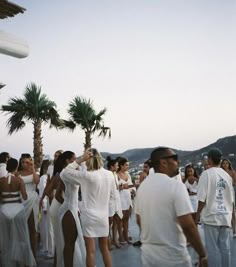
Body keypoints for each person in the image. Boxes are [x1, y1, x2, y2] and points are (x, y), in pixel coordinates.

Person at [134, 146, 208, 267]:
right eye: (174, 158)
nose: (178, 161)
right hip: (173, 258)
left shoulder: (142, 188)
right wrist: (202, 254)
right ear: (163, 162)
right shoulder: (176, 186)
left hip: (148, 257)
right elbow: (188, 226)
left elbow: (139, 220)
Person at [61, 148, 116, 267]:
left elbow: (64, 173)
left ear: (88, 159)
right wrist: (110, 213)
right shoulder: (109, 174)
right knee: (105, 248)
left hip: (89, 217)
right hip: (103, 216)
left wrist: (80, 160)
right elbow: (113, 196)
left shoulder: (86, 176)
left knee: (90, 251)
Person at [196, 148, 235, 267]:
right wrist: (233, 218)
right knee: (226, 249)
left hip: (211, 217)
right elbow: (231, 200)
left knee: (212, 250)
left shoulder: (206, 174)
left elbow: (202, 198)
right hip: (225, 216)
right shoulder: (227, 176)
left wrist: (197, 215)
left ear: (210, 159)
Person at [0, 158, 36, 267]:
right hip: (18, 210)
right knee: (22, 237)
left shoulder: (1, 180)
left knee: (6, 238)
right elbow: (25, 197)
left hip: (4, 210)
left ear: (7, 167)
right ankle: (22, 262)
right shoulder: (19, 180)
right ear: (16, 167)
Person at [18, 153, 40, 258]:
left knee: (33, 227)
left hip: (32, 200)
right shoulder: (18, 173)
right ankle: (23, 255)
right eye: (23, 162)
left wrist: (33, 168)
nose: (24, 164)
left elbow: (36, 182)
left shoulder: (34, 172)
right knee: (21, 228)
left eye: (27, 162)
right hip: (21, 201)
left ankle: (34, 255)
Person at [106, 156, 123, 249]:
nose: (117, 167)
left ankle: (115, 240)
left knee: (116, 220)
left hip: (117, 199)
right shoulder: (107, 175)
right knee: (109, 221)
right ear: (112, 166)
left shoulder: (115, 175)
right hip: (109, 201)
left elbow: (116, 188)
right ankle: (108, 241)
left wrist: (120, 187)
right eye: (116, 165)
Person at [117, 157, 134, 244]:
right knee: (120, 220)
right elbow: (115, 187)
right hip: (120, 199)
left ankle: (126, 236)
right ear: (121, 165)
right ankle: (120, 238)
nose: (128, 166)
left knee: (127, 219)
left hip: (128, 198)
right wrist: (122, 187)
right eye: (126, 165)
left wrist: (133, 189)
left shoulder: (128, 174)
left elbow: (131, 185)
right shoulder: (116, 175)